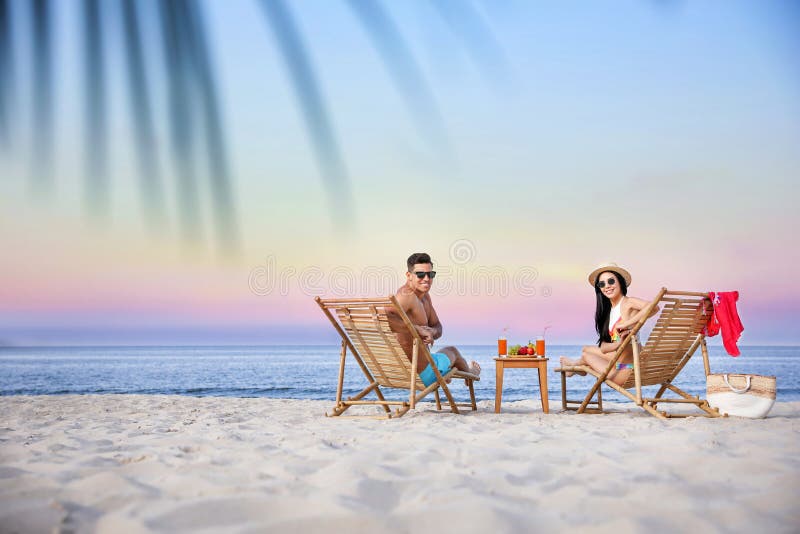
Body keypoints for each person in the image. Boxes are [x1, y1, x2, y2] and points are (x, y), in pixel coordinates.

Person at [386, 252, 481, 387]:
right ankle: (470, 374)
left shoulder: (425, 297)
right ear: (409, 276)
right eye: (420, 274)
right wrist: (417, 329)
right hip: (421, 374)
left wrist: (431, 331)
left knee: (443, 356)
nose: (426, 278)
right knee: (453, 351)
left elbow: (438, 326)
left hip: (409, 371)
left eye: (430, 275)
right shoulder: (406, 296)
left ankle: (447, 371)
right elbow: (384, 318)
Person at [560, 262, 658, 385]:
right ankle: (575, 367)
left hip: (625, 371)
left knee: (586, 356)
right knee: (586, 349)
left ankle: (574, 367)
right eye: (602, 284)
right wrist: (618, 343)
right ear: (599, 289)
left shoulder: (628, 303)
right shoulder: (610, 312)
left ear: (620, 282)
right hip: (620, 365)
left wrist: (626, 323)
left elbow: (654, 307)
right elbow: (604, 348)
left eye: (611, 281)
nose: (607, 286)